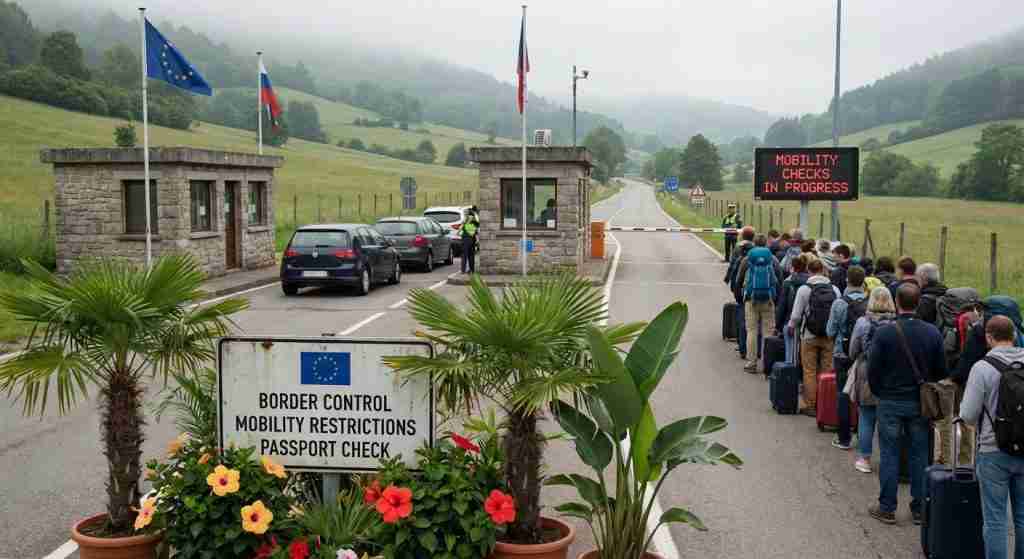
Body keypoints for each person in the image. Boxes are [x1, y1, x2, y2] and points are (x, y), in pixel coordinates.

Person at [867, 283, 947, 525]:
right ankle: (920, 508)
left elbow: (873, 370)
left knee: (889, 454)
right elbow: (941, 370)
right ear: (919, 302)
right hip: (919, 402)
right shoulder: (932, 333)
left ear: (896, 302)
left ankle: (887, 506)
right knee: (920, 454)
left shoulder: (885, 332)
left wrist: (880, 392)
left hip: (890, 399)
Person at [959, 315, 1024, 559]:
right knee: (1022, 517)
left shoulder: (982, 368)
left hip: (993, 449)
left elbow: (967, 414)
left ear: (988, 337)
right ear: (1015, 335)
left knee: (995, 519)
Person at [848, 287, 897, 474]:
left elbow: (853, 350)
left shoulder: (863, 322)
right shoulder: (896, 323)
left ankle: (865, 458)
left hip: (866, 371)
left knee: (866, 417)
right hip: (890, 373)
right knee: (887, 419)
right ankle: (887, 458)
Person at [789, 258, 840, 415]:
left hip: (809, 335)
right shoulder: (835, 289)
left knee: (809, 370)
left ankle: (810, 404)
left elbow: (797, 315)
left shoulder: (804, 289)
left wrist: (791, 326)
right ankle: (825, 404)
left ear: (809, 271)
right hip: (829, 336)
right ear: (824, 271)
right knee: (827, 371)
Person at [827, 265, 868, 450]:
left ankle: (843, 438)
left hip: (841, 352)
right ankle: (863, 434)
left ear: (847, 280)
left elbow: (830, 330)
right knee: (862, 396)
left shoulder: (840, 303)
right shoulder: (869, 303)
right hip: (862, 355)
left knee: (843, 395)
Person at [737, 234, 783, 373]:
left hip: (751, 299)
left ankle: (751, 363)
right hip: (768, 299)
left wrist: (741, 297)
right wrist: (775, 297)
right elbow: (779, 279)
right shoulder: (773, 259)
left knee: (751, 330)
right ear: (766, 244)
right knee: (768, 332)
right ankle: (767, 363)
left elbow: (739, 280)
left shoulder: (747, 259)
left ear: (754, 244)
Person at [725, 226, 756, 359]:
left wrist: (728, 279)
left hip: (740, 285)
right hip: (754, 288)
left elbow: (733, 264)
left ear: (743, 236)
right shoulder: (757, 249)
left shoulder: (738, 248)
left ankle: (742, 344)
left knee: (742, 315)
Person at [776, 254, 810, 364]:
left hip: (789, 322)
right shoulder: (811, 282)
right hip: (808, 325)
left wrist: (778, 325)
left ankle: (790, 374)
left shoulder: (788, 282)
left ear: (793, 268)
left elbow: (782, 306)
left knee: (790, 352)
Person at [460, 206, 480, 274]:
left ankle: (463, 270)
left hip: (465, 239)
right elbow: (476, 232)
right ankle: (472, 270)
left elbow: (461, 230)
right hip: (472, 240)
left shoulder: (465, 222)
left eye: (465, 213)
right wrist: (477, 240)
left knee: (464, 255)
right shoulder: (475, 222)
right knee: (471, 255)